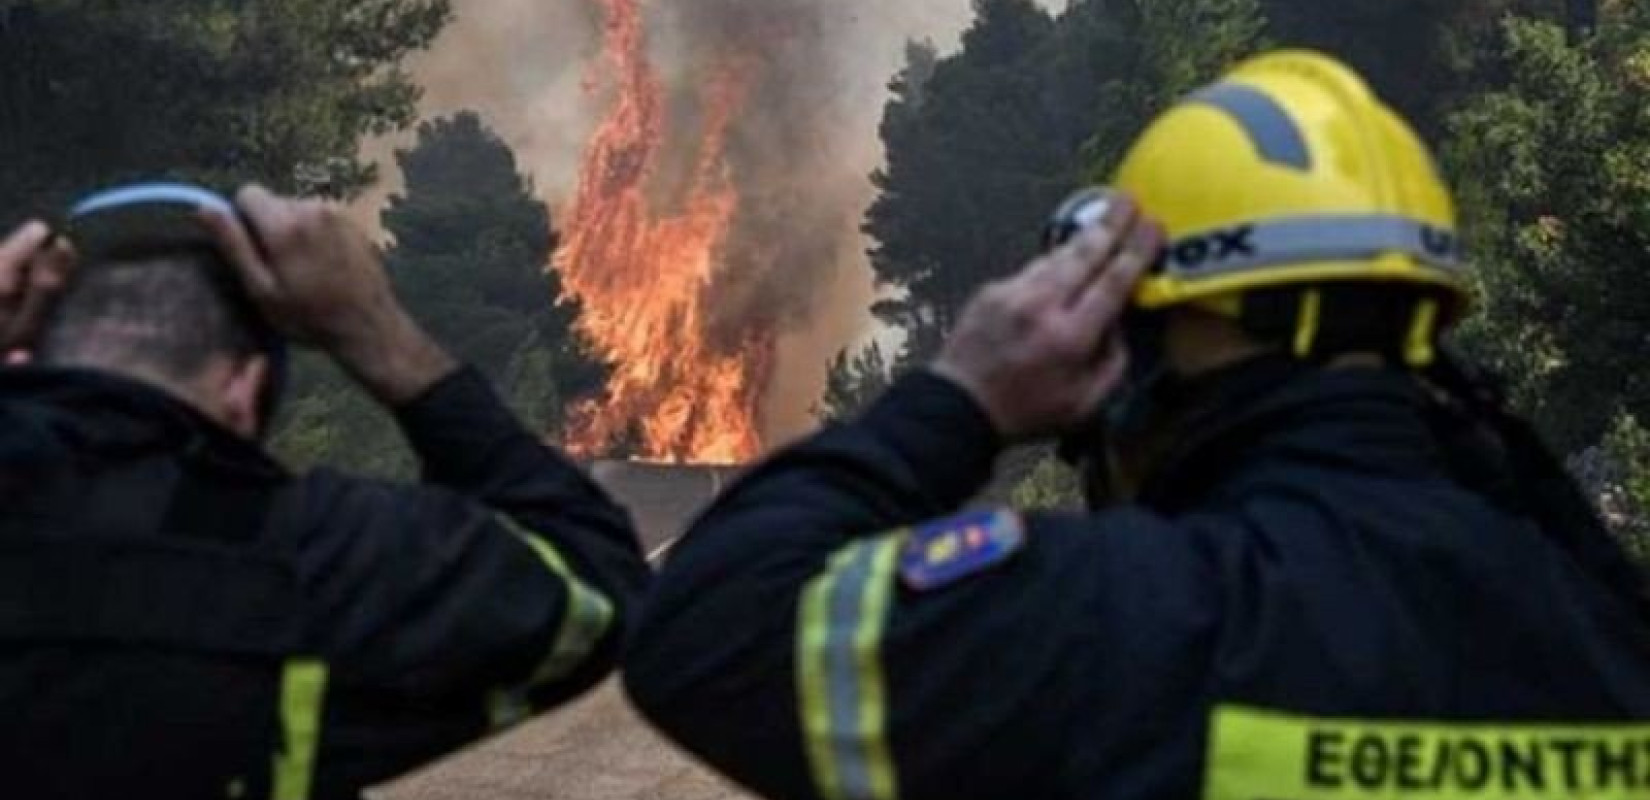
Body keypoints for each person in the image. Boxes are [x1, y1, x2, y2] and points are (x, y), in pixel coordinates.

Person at [623, 51, 1650, 800]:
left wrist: (964, 393)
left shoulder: (1131, 616)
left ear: (1140, 341)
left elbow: (711, 627)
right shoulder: (1591, 623)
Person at [0, 184, 649, 799]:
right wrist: (372, 328)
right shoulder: (314, 556)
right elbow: (591, 591)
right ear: (245, 391)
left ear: (26, 360)